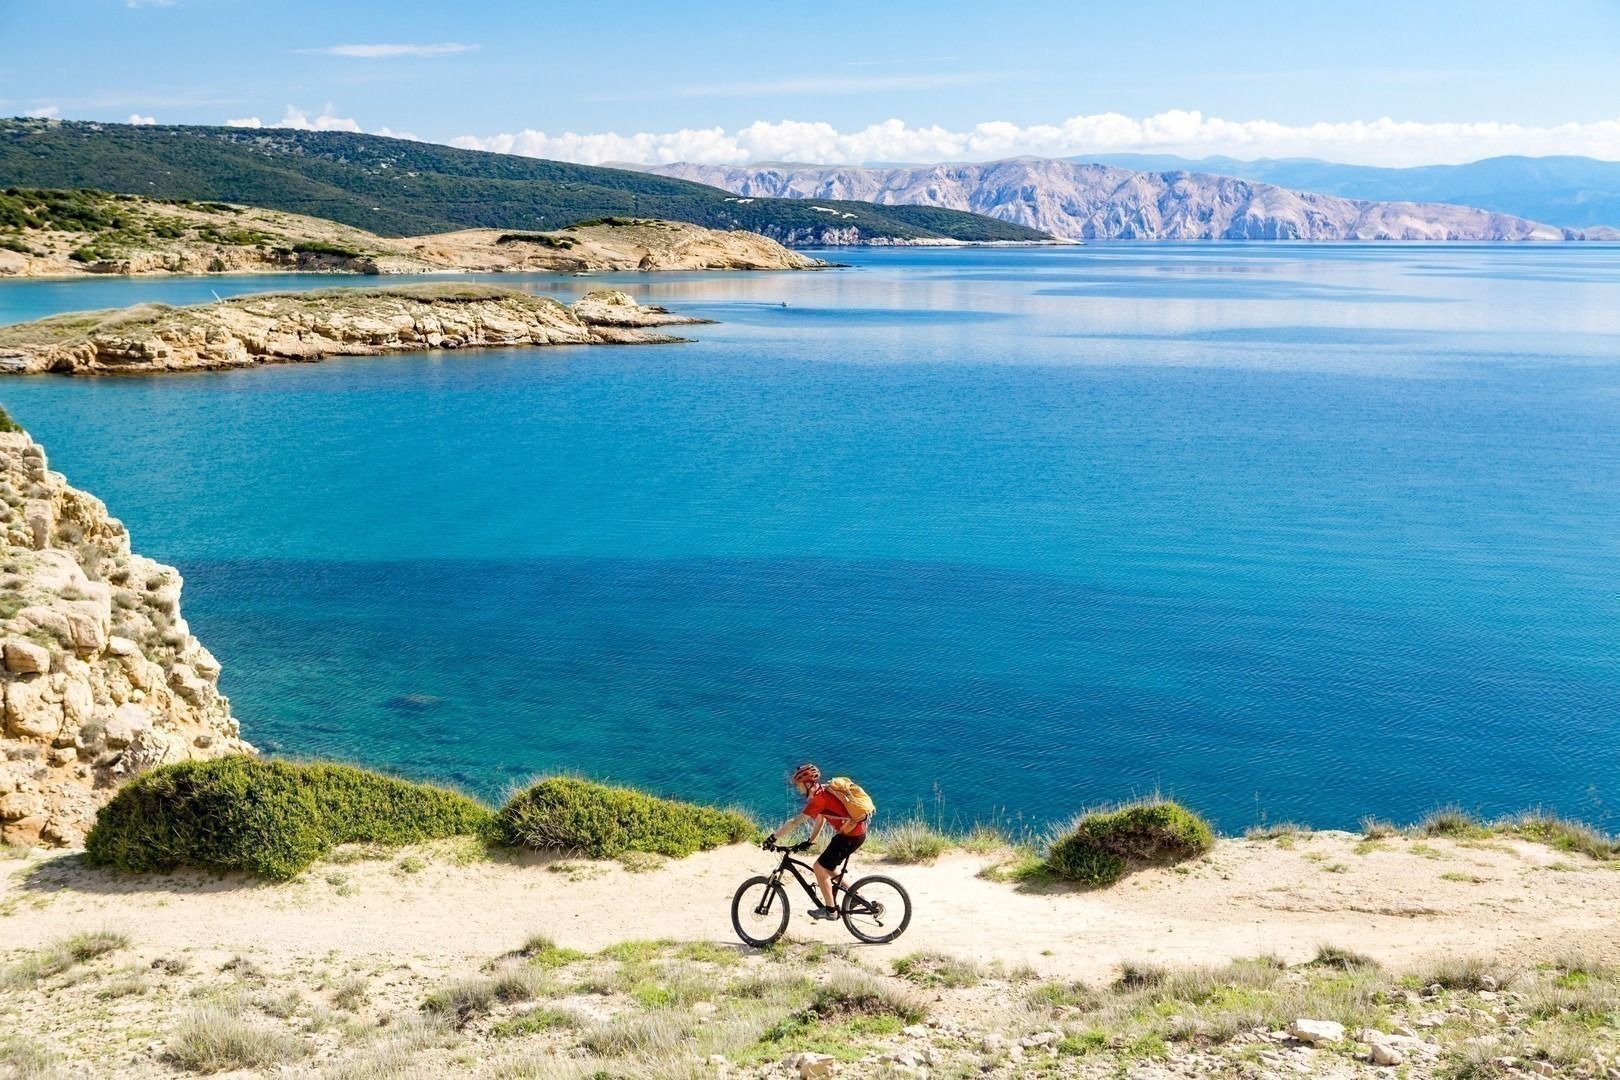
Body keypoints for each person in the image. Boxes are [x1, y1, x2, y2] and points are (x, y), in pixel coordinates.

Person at [765, 762, 866, 920]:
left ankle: (831, 911)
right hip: (851, 833)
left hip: (850, 836)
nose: (798, 788)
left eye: (798, 785)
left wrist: (773, 837)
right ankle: (856, 896)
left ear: (807, 783)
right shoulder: (821, 791)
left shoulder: (818, 799)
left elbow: (795, 822)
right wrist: (811, 841)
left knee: (819, 867)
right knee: (830, 868)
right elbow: (821, 819)